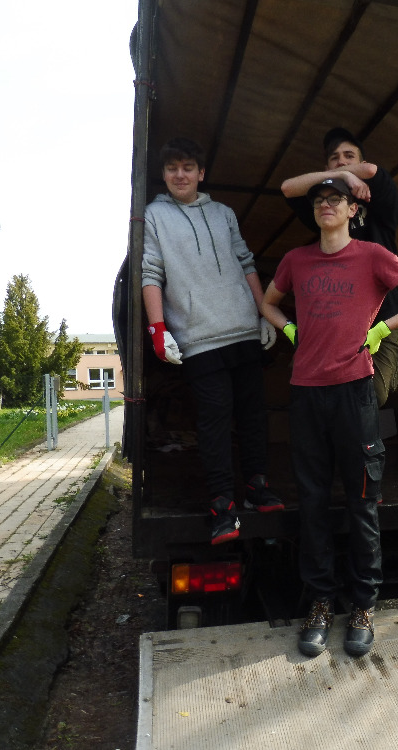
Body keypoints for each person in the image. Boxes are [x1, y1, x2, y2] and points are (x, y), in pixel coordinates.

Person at [261, 177, 398, 657]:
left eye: (335, 199)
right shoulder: (296, 260)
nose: (326, 205)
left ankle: (363, 606)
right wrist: (290, 329)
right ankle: (320, 604)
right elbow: (267, 302)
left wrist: (383, 328)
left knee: (362, 502)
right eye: (319, 200)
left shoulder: (373, 256)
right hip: (306, 394)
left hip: (354, 393)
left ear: (352, 210)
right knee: (313, 502)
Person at [142, 137, 284, 547]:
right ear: (164, 175)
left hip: (243, 329)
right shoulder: (154, 215)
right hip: (199, 337)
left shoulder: (224, 213)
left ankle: (257, 486)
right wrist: (158, 329)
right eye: (172, 168)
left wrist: (264, 313)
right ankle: (222, 503)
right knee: (215, 421)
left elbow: (247, 264)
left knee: (253, 415)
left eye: (188, 167)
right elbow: (150, 272)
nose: (180, 175)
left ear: (201, 173)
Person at [280, 127, 398, 407]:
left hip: (381, 318)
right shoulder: (324, 208)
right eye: (334, 158)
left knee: (372, 395)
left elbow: (370, 170)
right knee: (322, 397)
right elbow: (287, 188)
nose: (342, 161)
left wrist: (347, 174)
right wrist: (343, 176)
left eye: (349, 156)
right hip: (335, 321)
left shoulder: (378, 195)